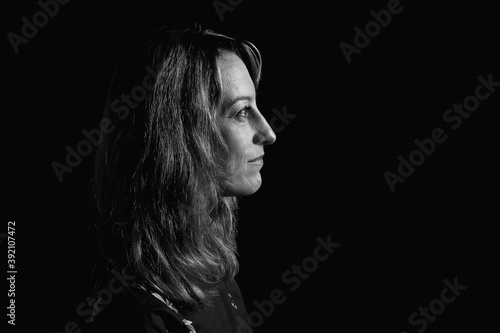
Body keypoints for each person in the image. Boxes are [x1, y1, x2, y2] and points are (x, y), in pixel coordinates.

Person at [85, 26, 276, 333]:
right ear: (183, 136)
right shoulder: (142, 318)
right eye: (242, 112)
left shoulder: (212, 269)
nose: (268, 133)